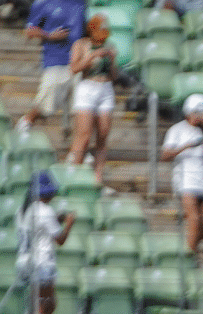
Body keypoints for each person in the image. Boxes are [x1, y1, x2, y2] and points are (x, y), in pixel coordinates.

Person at [160, 93, 203, 256]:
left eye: (201, 114)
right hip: (187, 181)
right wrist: (185, 147)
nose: (198, 117)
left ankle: (189, 249)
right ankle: (190, 258)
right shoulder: (177, 130)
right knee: (194, 220)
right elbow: (165, 155)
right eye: (195, 113)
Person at [15, 171, 75, 314]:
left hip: (24, 262)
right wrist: (69, 224)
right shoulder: (46, 211)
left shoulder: (22, 210)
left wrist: (56, 220)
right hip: (41, 264)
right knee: (46, 305)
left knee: (42, 305)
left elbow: (39, 229)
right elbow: (60, 240)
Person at [16, 0, 85, 136]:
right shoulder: (43, 3)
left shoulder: (81, 3)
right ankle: (25, 123)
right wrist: (49, 35)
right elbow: (29, 31)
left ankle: (76, 144)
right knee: (46, 100)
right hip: (56, 59)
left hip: (79, 61)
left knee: (80, 108)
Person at [66, 14, 116, 188]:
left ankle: (98, 176)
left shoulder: (109, 46)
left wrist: (112, 61)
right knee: (84, 134)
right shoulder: (81, 45)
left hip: (106, 88)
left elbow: (114, 75)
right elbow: (74, 68)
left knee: (103, 134)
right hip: (87, 87)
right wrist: (92, 56)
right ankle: (73, 173)